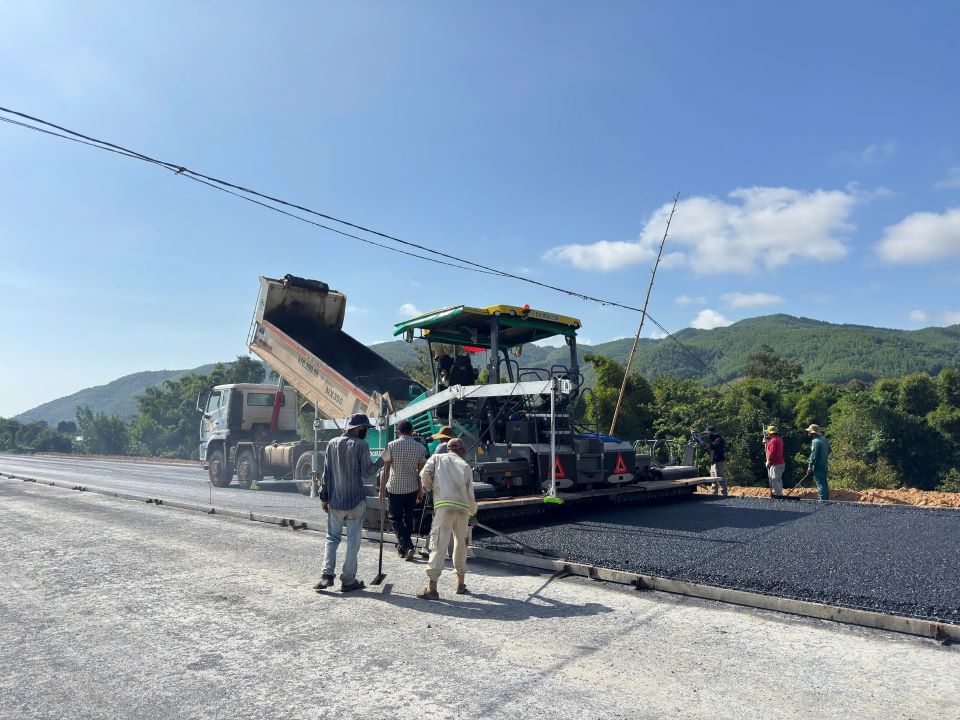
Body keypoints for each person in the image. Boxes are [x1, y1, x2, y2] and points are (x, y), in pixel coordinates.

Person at [315, 413, 383, 593]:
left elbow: (326, 473)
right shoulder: (361, 445)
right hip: (355, 501)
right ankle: (348, 580)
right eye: (365, 429)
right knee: (353, 541)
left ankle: (326, 576)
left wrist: (324, 497)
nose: (366, 432)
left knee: (331, 538)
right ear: (357, 428)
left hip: (335, 501)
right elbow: (368, 473)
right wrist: (383, 460)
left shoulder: (332, 443)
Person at [416, 437, 477, 600]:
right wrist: (472, 513)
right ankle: (460, 583)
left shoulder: (436, 458)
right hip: (462, 509)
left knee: (439, 545)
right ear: (462, 450)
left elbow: (424, 474)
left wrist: (428, 488)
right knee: (461, 544)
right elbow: (471, 494)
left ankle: (432, 587)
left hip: (443, 507)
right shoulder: (465, 466)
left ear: (448, 448)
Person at [379, 419, 426, 561]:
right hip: (411, 487)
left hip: (394, 487)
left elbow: (385, 468)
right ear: (412, 432)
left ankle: (407, 546)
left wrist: (381, 489)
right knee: (408, 517)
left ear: (398, 432)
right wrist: (420, 490)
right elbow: (421, 472)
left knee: (394, 518)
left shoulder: (390, 446)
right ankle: (403, 549)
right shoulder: (420, 448)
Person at [806, 423, 830, 502]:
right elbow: (829, 451)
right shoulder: (824, 439)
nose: (808, 433)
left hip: (818, 466)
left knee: (820, 483)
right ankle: (825, 499)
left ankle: (822, 500)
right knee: (824, 482)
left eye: (809, 432)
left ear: (813, 433)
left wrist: (810, 466)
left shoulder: (815, 441)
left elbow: (813, 455)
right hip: (824, 464)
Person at [705, 426, 728, 496]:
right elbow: (712, 446)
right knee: (713, 478)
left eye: (708, 433)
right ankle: (714, 492)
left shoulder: (719, 439)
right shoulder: (714, 440)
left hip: (719, 461)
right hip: (714, 461)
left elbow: (715, 445)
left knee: (720, 477)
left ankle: (724, 493)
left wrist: (710, 446)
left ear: (712, 433)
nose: (708, 435)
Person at [764, 425, 785, 498]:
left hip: (776, 463)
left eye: (768, 433)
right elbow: (771, 448)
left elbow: (772, 452)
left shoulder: (773, 441)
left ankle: (778, 494)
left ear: (771, 433)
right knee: (778, 478)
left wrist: (768, 461)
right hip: (780, 462)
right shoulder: (779, 439)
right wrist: (766, 443)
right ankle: (779, 493)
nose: (767, 434)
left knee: (774, 479)